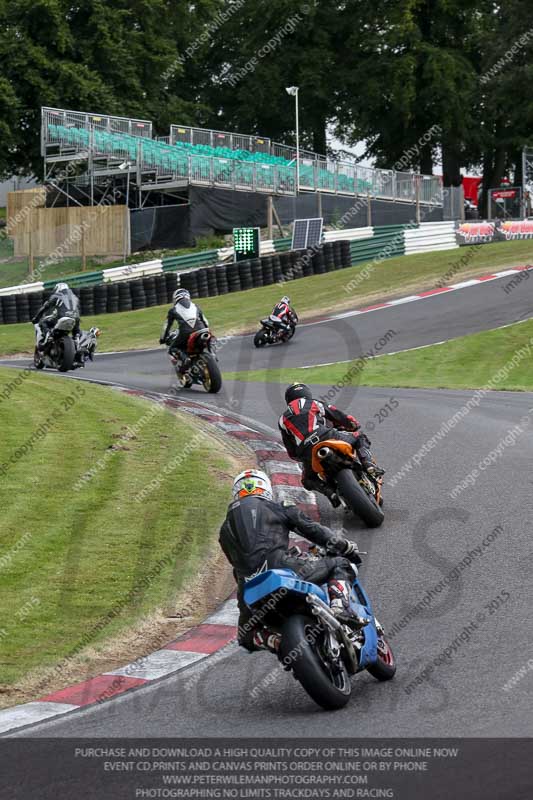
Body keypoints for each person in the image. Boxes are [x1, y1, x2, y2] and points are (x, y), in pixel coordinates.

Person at [219, 469, 362, 653]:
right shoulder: (277, 506)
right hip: (281, 568)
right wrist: (344, 546)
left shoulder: (224, 531)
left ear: (236, 492)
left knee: (245, 636)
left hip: (250, 589)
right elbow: (311, 529)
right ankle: (338, 607)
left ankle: (277, 643)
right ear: (265, 488)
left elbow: (236, 567)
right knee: (340, 563)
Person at [279, 383, 384, 506]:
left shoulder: (282, 419)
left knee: (307, 480)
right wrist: (353, 424)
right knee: (359, 437)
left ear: (288, 399)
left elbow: (291, 452)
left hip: (306, 450)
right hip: (326, 436)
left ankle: (329, 492)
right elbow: (338, 415)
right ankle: (369, 464)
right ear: (307, 393)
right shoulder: (313, 403)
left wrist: (303, 457)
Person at [159, 288, 210, 371]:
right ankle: (212, 352)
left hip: (185, 332)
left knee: (173, 348)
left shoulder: (173, 310)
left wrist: (162, 339)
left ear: (175, 298)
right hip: (202, 329)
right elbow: (205, 321)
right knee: (209, 338)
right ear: (188, 296)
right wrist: (207, 329)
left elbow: (167, 326)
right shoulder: (195, 306)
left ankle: (185, 359)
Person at [31, 282, 81, 351]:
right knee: (76, 329)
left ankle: (48, 336)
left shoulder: (57, 295)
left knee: (43, 322)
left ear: (58, 288)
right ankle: (77, 339)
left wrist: (36, 318)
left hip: (62, 316)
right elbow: (78, 309)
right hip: (75, 317)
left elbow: (45, 307)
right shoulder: (75, 297)